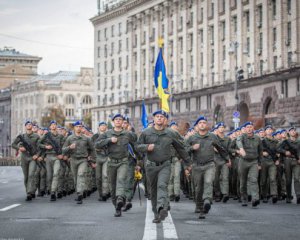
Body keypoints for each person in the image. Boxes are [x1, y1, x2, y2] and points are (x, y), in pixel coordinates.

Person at [136, 110, 190, 223]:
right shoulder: (146, 132)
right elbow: (137, 146)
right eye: (157, 116)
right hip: (151, 166)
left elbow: (180, 148)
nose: (159, 118)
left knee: (162, 185)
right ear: (154, 119)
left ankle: (161, 207)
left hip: (165, 165)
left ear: (165, 120)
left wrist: (188, 163)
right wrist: (146, 147)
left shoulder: (171, 133)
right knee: (153, 190)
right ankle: (157, 213)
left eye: (162, 117)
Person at [185, 116, 229, 219]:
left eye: (204, 122)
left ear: (207, 125)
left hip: (209, 164)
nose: (202, 124)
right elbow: (184, 150)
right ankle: (200, 207)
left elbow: (220, 148)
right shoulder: (192, 138)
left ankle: (207, 201)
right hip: (196, 166)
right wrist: (192, 148)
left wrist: (227, 159)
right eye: (200, 123)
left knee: (208, 182)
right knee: (199, 188)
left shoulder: (212, 137)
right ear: (197, 125)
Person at [96, 114, 137, 217]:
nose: (118, 121)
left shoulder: (127, 134)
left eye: (120, 119)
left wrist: (138, 162)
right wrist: (109, 140)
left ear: (123, 122)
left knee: (121, 179)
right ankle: (117, 207)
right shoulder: (107, 133)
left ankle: (120, 198)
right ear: (113, 122)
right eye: (116, 119)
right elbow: (97, 144)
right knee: (112, 186)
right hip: (111, 162)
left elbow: (136, 145)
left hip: (123, 162)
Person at [62, 121, 96, 204]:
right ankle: (79, 191)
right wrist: (69, 147)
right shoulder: (70, 138)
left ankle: (80, 194)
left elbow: (92, 149)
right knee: (75, 177)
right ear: (74, 127)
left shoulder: (86, 138)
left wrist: (93, 160)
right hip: (73, 160)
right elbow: (63, 150)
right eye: (77, 126)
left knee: (81, 175)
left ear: (82, 128)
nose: (79, 128)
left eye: (80, 126)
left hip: (83, 160)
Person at [12, 120, 40, 201]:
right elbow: (13, 144)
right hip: (24, 158)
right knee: (26, 177)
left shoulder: (36, 136)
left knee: (31, 175)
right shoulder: (22, 136)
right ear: (25, 126)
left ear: (32, 126)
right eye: (27, 124)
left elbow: (40, 148)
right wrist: (19, 148)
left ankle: (29, 193)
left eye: (30, 124)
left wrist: (37, 155)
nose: (29, 125)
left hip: (32, 158)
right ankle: (28, 191)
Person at [236, 121, 262, 207]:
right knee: (243, 181)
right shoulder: (242, 136)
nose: (249, 129)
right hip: (243, 161)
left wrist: (259, 163)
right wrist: (241, 149)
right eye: (247, 127)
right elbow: (238, 141)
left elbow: (260, 152)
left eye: (251, 127)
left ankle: (255, 198)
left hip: (254, 162)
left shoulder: (257, 138)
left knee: (253, 180)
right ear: (245, 129)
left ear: (253, 128)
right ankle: (244, 197)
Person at [38, 120, 65, 201]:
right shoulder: (46, 135)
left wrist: (62, 154)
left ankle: (53, 192)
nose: (53, 126)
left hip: (57, 157)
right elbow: (39, 143)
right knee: (49, 176)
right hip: (49, 157)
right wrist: (45, 147)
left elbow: (64, 146)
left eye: (55, 124)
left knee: (56, 174)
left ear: (56, 126)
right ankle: (50, 189)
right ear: (50, 127)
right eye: (52, 125)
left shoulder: (60, 136)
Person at [92, 121, 109, 201]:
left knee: (105, 175)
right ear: (98, 127)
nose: (102, 127)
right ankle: (100, 193)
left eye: (104, 125)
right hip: (97, 157)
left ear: (106, 127)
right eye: (101, 125)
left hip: (106, 157)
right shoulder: (95, 136)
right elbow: (91, 148)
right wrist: (92, 161)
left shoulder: (109, 135)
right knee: (98, 177)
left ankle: (105, 193)